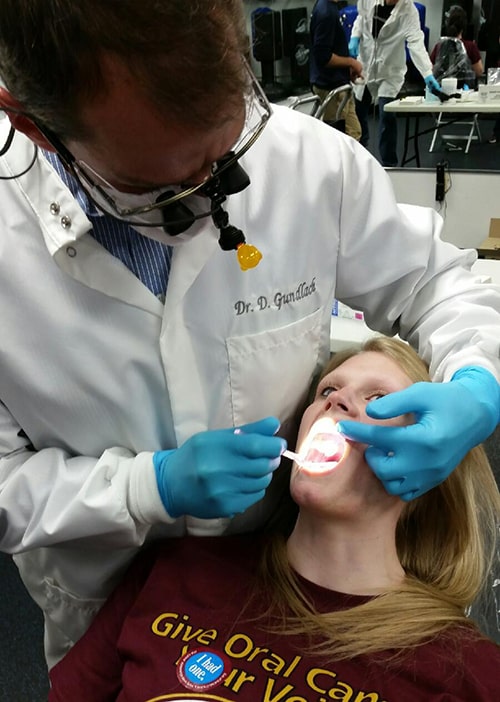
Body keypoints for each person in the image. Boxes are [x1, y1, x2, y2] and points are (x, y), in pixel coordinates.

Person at [0, 0, 499, 672]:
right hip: (106, 607)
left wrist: (478, 386)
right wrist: (150, 488)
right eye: (165, 185)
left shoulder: (308, 165)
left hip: (282, 586)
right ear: (31, 126)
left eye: (230, 148)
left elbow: (440, 284)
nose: (218, 191)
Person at [47, 337, 500, 701]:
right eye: (328, 390)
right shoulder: (176, 571)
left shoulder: (464, 674)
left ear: (432, 458)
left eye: (378, 398)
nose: (337, 401)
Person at [349, 0, 441, 166]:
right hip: (366, 64)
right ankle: (359, 158)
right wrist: (355, 36)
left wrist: (427, 73)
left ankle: (388, 164)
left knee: (387, 114)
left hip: (390, 70)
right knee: (359, 111)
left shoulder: (409, 11)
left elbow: (416, 42)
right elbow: (361, 18)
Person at [309, 0, 363, 140]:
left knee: (354, 134)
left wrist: (347, 67)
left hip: (338, 83)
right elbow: (323, 57)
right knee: (341, 139)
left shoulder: (328, 7)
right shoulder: (326, 13)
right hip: (330, 87)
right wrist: (351, 62)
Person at [430, 5, 483, 87]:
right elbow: (479, 71)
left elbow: (431, 70)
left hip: (442, 91)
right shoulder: (470, 46)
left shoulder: (440, 46)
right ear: (463, 26)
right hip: (465, 93)